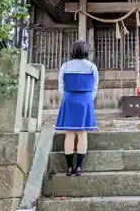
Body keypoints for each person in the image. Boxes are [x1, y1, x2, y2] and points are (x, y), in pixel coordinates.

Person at [55, 40, 98, 176]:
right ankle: (78, 167)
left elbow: (61, 85)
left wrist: (66, 97)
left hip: (69, 99)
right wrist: (88, 99)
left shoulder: (65, 66)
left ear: (73, 51)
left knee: (69, 134)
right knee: (82, 133)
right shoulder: (91, 66)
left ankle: (69, 167)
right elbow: (95, 86)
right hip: (85, 100)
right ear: (86, 51)